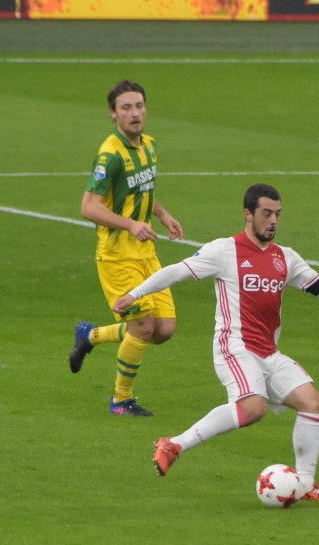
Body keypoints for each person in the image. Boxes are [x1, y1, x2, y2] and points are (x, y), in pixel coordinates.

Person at [113, 183, 319, 502]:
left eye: (277, 214)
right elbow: (176, 272)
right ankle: (174, 444)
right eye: (266, 214)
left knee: (313, 403)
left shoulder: (285, 258)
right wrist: (134, 295)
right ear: (248, 215)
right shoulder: (224, 251)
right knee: (253, 407)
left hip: (268, 353)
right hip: (235, 348)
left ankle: (305, 484)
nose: (273, 221)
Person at [69, 80, 184, 416]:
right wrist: (132, 224)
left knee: (164, 329)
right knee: (144, 327)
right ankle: (121, 400)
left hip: (145, 253)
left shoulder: (148, 145)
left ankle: (89, 337)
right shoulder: (110, 155)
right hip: (117, 255)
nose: (134, 113)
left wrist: (162, 214)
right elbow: (89, 207)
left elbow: (142, 189)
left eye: (139, 106)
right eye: (126, 108)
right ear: (113, 114)